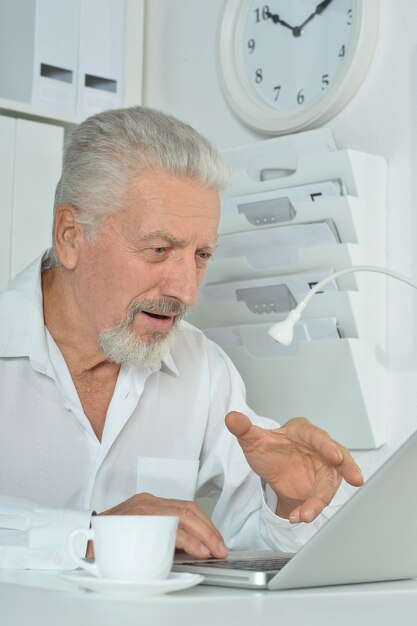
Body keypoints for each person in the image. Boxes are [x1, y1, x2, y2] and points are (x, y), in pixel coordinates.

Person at [0, 106, 363, 569]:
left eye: (202, 254)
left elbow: (248, 544)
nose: (186, 290)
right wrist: (89, 534)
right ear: (71, 236)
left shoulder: (202, 368)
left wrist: (289, 504)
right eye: (159, 250)